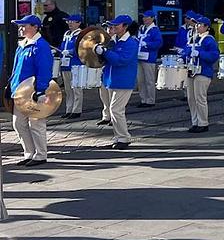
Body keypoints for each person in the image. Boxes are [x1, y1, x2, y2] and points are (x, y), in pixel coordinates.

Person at [9, 14, 55, 167]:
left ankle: (40, 155)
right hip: (20, 91)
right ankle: (29, 153)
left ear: (35, 27)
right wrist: (11, 85)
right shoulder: (22, 45)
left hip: (33, 91)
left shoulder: (41, 46)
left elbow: (44, 70)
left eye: (24, 26)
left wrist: (41, 90)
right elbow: (16, 69)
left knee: (36, 124)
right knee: (19, 124)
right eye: (20, 26)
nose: (21, 29)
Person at [94, 14, 139, 149]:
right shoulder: (114, 41)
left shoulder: (131, 43)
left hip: (123, 81)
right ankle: (119, 137)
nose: (112, 27)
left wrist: (105, 52)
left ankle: (123, 138)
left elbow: (121, 60)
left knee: (116, 110)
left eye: (116, 25)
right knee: (115, 110)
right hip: (112, 79)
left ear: (125, 27)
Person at [185, 15, 220, 133]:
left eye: (200, 24)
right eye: (197, 24)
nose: (197, 26)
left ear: (206, 27)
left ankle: (203, 123)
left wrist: (200, 54)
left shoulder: (209, 40)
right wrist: (183, 55)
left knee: (200, 98)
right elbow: (187, 50)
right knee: (191, 98)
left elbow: (214, 56)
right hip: (191, 71)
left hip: (203, 72)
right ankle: (195, 122)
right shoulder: (193, 38)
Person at [59, 14, 84, 119]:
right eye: (68, 21)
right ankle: (69, 109)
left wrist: (70, 52)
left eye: (72, 21)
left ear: (79, 23)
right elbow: (62, 46)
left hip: (76, 64)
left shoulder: (81, 35)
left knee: (76, 88)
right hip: (65, 64)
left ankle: (76, 110)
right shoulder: (67, 34)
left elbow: (82, 49)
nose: (69, 23)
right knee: (68, 89)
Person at [136, 10, 163, 108]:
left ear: (152, 18)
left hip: (149, 58)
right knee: (140, 81)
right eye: (144, 17)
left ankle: (150, 100)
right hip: (140, 57)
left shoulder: (155, 30)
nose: (145, 19)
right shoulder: (141, 28)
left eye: (147, 17)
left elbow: (159, 43)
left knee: (149, 80)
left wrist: (147, 44)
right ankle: (143, 99)